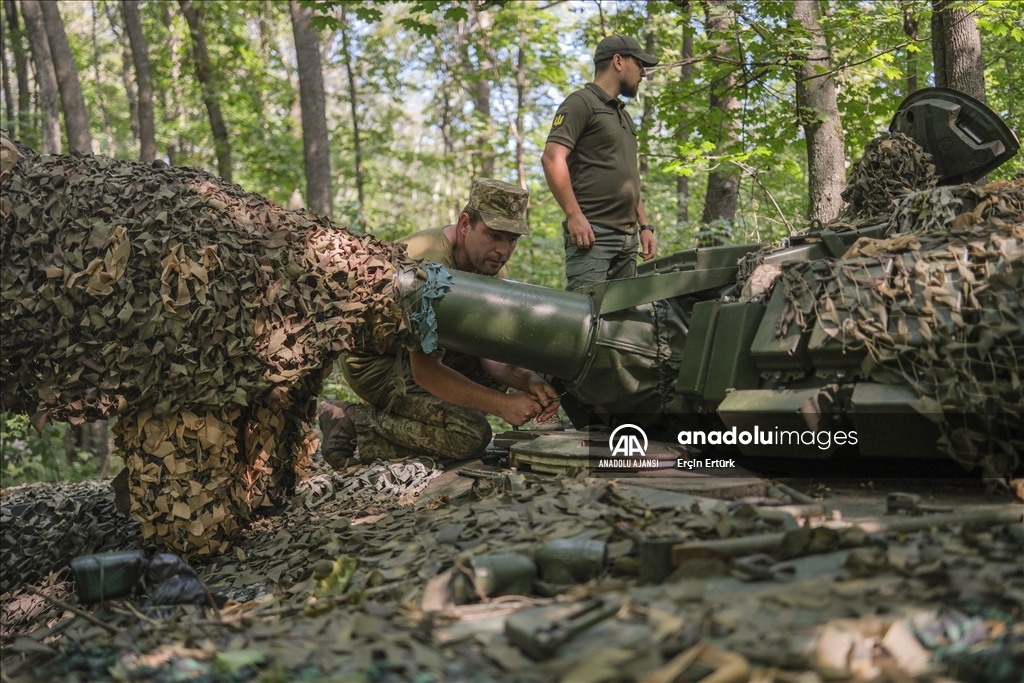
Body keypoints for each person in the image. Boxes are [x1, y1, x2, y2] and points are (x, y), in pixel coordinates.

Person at [318, 179, 561, 468]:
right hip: (378, 363)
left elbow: (489, 355)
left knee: (488, 387)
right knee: (470, 436)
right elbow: (426, 372)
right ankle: (352, 422)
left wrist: (528, 381)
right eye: (494, 235)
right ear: (465, 223)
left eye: (512, 240)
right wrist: (502, 405)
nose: (502, 250)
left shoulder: (487, 264)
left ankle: (434, 421)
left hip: (421, 353)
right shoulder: (432, 270)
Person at [541, 33, 659, 292]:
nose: (643, 72)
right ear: (618, 61)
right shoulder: (580, 103)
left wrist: (644, 227)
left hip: (628, 243)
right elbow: (552, 159)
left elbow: (630, 177)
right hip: (592, 237)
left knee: (620, 324)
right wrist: (574, 215)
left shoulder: (624, 117)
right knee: (586, 320)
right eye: (638, 64)